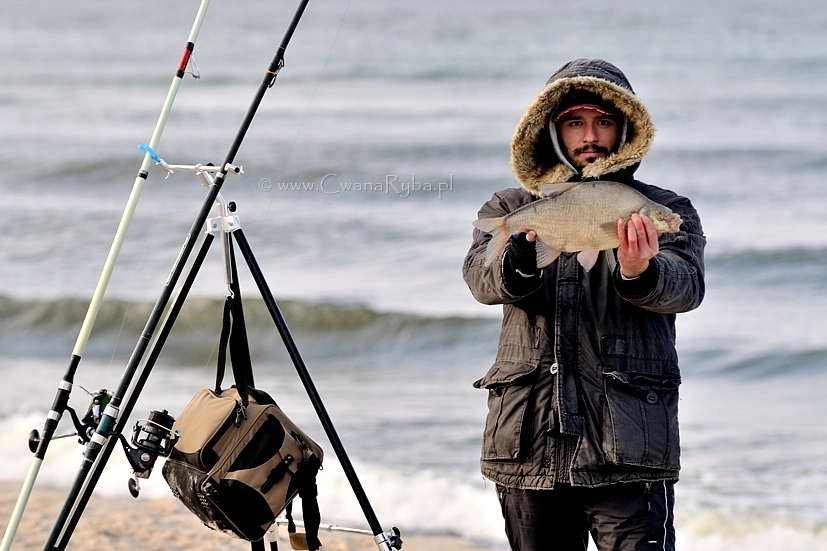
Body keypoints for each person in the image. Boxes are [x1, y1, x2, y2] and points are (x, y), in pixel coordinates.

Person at [462, 58, 706, 551]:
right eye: (575, 122)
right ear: (552, 130)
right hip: (528, 442)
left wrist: (640, 270)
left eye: (603, 121)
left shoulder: (669, 210)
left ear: (624, 129)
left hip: (629, 449)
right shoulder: (507, 209)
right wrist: (524, 256)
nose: (589, 135)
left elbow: (687, 288)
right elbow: (481, 281)